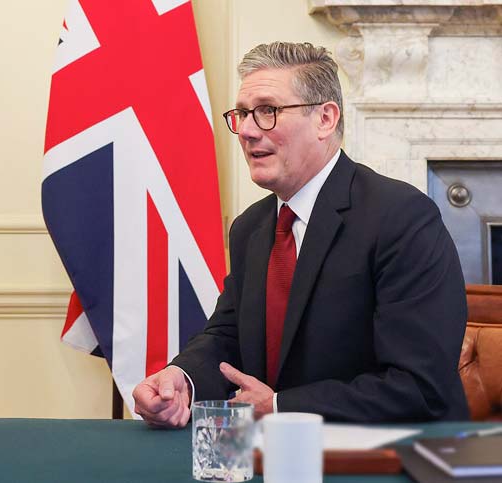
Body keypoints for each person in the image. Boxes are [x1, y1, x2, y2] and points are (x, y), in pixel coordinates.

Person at [133, 42, 469, 426]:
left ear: (325, 119)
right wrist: (182, 379)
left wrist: (279, 406)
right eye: (242, 113)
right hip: (274, 457)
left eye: (267, 111)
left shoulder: (401, 217)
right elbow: (228, 337)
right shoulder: (251, 228)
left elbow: (418, 387)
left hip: (385, 460)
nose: (245, 130)